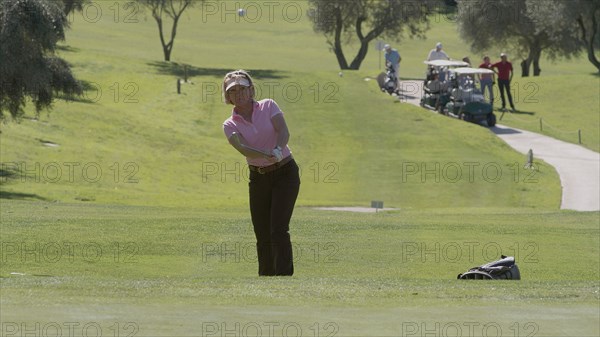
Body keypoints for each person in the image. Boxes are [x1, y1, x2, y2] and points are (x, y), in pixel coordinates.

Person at [222, 70, 300, 276]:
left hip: (285, 172)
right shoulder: (229, 125)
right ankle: (266, 277)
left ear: (251, 90)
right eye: (233, 91)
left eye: (242, 89)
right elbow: (243, 148)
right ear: (227, 96)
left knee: (278, 229)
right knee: (262, 232)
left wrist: (277, 149)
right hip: (258, 177)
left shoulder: (268, 106)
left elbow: (283, 131)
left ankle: (283, 277)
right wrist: (266, 154)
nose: (238, 94)